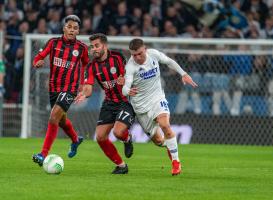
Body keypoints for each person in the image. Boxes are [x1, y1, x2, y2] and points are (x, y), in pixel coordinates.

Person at [122, 38, 198, 176]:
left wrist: (184, 74)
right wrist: (127, 91)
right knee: (158, 141)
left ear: (145, 49)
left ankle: (176, 162)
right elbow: (125, 87)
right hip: (141, 108)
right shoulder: (130, 66)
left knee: (165, 125)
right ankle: (170, 146)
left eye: (139, 53)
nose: (137, 57)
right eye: (134, 55)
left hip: (157, 99)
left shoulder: (154, 54)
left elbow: (169, 62)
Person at [32, 15, 89, 166]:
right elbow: (39, 56)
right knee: (61, 120)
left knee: (53, 118)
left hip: (70, 89)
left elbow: (86, 65)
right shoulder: (53, 43)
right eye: (69, 27)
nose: (71, 30)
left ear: (78, 31)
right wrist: (37, 62)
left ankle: (43, 154)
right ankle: (76, 140)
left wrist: (83, 83)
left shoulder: (82, 48)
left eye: (75, 28)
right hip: (53, 88)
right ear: (64, 28)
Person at [74, 33, 135, 174]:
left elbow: (129, 75)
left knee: (118, 132)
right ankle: (121, 166)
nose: (94, 49)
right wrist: (84, 93)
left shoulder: (118, 58)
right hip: (109, 102)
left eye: (97, 46)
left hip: (126, 101)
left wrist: (124, 79)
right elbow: (88, 87)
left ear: (105, 46)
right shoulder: (91, 67)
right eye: (92, 47)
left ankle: (127, 139)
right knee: (100, 137)